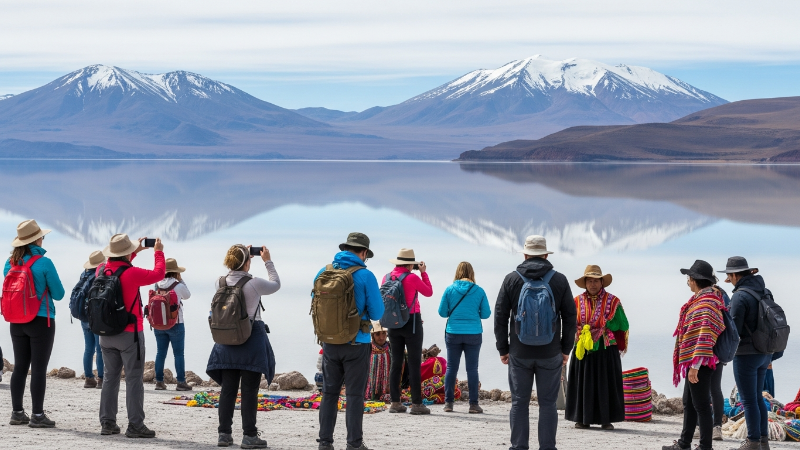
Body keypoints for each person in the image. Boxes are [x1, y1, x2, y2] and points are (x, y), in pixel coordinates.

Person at [494, 235, 576, 450]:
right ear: (547, 255)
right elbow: (570, 317)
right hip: (550, 353)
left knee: (519, 402)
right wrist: (566, 349)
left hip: (519, 352)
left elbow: (500, 316)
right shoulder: (559, 280)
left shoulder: (511, 279)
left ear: (525, 254)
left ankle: (518, 447)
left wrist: (503, 348)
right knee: (548, 404)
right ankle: (547, 447)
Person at [207, 244, 279, 449]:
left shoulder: (219, 282)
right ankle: (249, 436)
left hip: (226, 338)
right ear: (247, 261)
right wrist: (267, 261)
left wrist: (244, 258)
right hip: (250, 337)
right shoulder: (254, 283)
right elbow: (276, 284)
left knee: (228, 389)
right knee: (249, 390)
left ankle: (224, 434)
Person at [316, 232, 384, 450]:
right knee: (354, 395)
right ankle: (354, 444)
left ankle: (325, 442)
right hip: (357, 343)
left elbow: (315, 304)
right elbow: (376, 312)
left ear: (345, 249)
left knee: (329, 393)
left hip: (329, 343)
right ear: (363, 252)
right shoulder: (366, 276)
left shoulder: (324, 272)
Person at [98, 234, 165, 438]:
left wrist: (133, 253)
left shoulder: (101, 270)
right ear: (126, 253)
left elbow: (118, 269)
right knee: (134, 379)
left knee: (110, 378)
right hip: (129, 335)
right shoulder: (132, 273)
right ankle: (135, 425)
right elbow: (158, 274)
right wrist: (158, 252)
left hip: (105, 334)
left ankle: (107, 423)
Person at [4, 219, 65, 428]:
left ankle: (17, 413)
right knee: (38, 369)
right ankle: (37, 415)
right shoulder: (44, 263)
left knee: (20, 366)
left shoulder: (9, 262)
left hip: (16, 320)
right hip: (40, 321)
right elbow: (59, 294)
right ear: (37, 239)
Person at [662, 260, 725, 450]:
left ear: (696, 280)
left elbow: (705, 336)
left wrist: (695, 366)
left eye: (689, 278)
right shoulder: (704, 300)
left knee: (702, 405)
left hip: (702, 362)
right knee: (689, 403)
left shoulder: (705, 305)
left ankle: (706, 446)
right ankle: (684, 443)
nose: (688, 282)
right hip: (697, 361)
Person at [565, 265, 628, 430]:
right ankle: (582, 418)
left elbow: (623, 323)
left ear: (602, 282)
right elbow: (570, 323)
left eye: (596, 281)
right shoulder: (576, 301)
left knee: (604, 383)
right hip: (583, 348)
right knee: (583, 382)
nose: (593, 284)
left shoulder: (613, 302)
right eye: (590, 281)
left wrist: (606, 324)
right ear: (585, 283)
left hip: (605, 348)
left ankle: (606, 419)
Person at [721, 256, 773, 450]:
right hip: (765, 352)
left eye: (729, 275)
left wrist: (723, 353)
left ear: (734, 274)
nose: (729, 279)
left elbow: (733, 330)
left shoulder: (740, 296)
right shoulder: (765, 292)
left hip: (746, 355)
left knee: (748, 400)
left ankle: (752, 441)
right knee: (757, 397)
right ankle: (763, 440)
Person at [384, 248, 434, 415]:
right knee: (413, 363)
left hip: (392, 322)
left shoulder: (387, 277)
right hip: (411, 322)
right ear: (411, 264)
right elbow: (428, 292)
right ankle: (417, 404)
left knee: (396, 362)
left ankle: (395, 402)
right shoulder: (412, 277)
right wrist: (423, 273)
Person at [438, 261, 491, 413]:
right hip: (473, 333)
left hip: (453, 332)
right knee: (472, 369)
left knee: (451, 368)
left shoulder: (450, 290)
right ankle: (473, 405)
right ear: (472, 273)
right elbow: (486, 314)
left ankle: (449, 404)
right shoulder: (479, 291)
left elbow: (442, 313)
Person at [153, 257, 192, 391]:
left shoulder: (156, 284)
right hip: (176, 323)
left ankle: (159, 381)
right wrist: (181, 280)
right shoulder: (178, 285)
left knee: (160, 353)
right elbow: (187, 296)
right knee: (179, 354)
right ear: (176, 272)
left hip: (159, 324)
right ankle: (181, 382)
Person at [77, 250, 106, 389]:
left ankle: (89, 378)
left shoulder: (84, 275)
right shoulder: (99, 275)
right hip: (96, 317)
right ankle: (101, 378)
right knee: (100, 349)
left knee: (88, 349)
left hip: (83, 317)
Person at [365, 321, 392, 401]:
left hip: (387, 388)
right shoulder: (367, 349)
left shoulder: (391, 349)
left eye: (383, 333)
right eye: (377, 334)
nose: (381, 337)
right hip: (370, 387)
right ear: (372, 335)